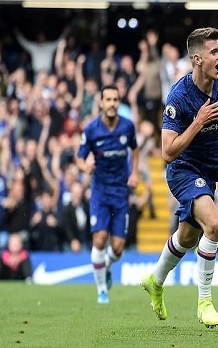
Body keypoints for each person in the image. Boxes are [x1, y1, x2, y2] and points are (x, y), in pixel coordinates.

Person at [141, 27, 218, 328]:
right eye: (215, 52)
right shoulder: (179, 96)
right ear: (197, 59)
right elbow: (167, 152)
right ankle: (205, 302)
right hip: (183, 170)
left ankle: (155, 279)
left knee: (188, 237)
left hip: (209, 174)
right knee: (214, 224)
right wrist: (198, 121)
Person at [76, 84, 139, 304]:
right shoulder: (91, 129)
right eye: (108, 100)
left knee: (119, 248)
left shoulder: (127, 127)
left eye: (115, 100)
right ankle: (101, 289)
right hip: (100, 192)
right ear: (101, 103)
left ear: (118, 103)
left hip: (121, 191)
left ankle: (106, 267)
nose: (112, 104)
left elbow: (135, 149)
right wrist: (85, 167)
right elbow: (79, 158)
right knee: (100, 239)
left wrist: (134, 172)